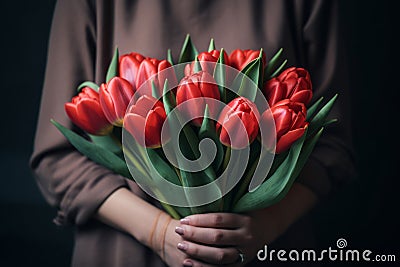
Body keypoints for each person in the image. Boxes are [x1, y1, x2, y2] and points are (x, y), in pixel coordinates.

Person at [30, 0, 355, 266]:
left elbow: (330, 146)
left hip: (266, 248)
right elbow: (57, 157)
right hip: (124, 255)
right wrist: (159, 232)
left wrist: (266, 225)